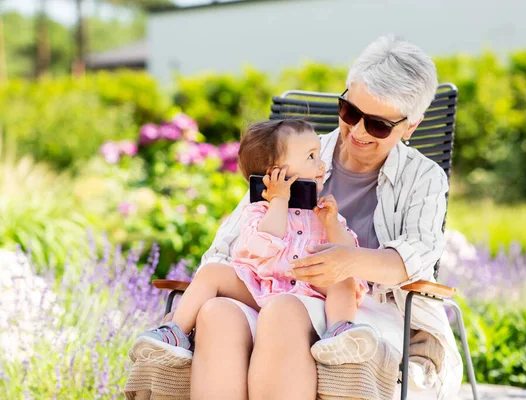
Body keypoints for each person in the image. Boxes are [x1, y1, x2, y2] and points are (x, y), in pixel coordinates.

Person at [132, 35, 463, 400]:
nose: (356, 131)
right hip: (273, 287)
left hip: (359, 310)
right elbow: (227, 245)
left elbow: (416, 256)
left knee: (283, 312)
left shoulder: (423, 177)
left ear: (410, 127)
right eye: (350, 112)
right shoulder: (301, 152)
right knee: (216, 314)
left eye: (378, 125)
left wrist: (346, 262)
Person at [129, 120, 380, 368]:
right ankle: (175, 332)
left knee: (343, 277)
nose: (322, 164)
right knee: (212, 272)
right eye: (311, 157)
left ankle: (340, 332)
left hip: (310, 290)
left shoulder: (323, 211)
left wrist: (333, 224)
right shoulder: (258, 210)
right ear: (275, 173)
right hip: (262, 286)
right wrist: (279, 202)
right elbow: (260, 249)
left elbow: (349, 253)